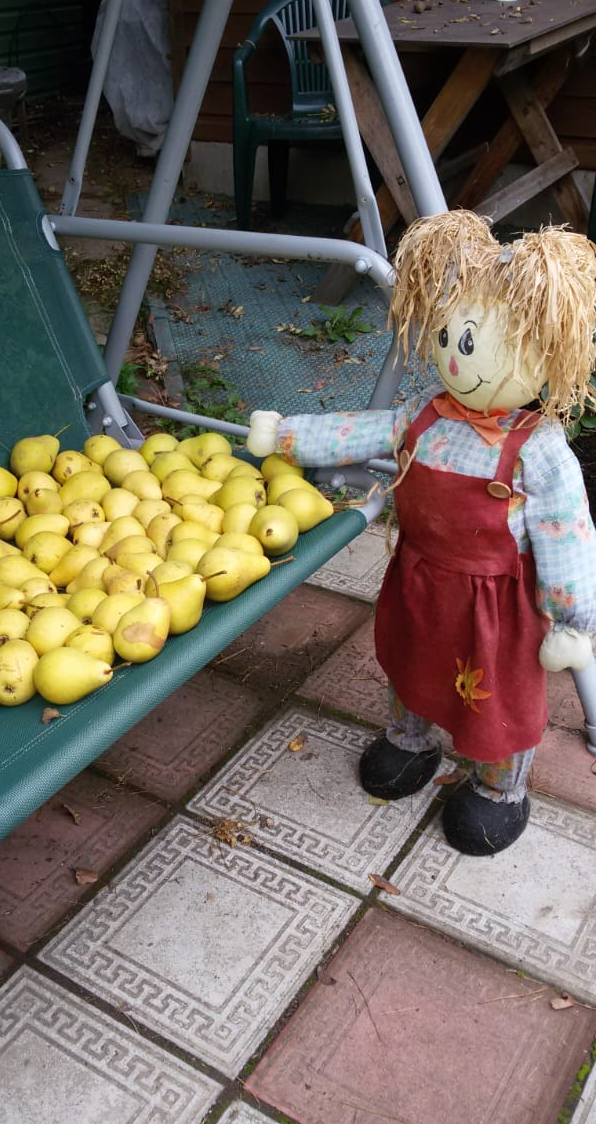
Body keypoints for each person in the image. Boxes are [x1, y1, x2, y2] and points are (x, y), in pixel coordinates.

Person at [247, 211, 596, 855]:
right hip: (419, 577)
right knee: (412, 661)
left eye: (474, 344)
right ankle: (410, 741)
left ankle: (498, 788)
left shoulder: (538, 450)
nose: (455, 358)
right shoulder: (423, 415)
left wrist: (573, 620)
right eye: (448, 337)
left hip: (496, 606)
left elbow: (567, 534)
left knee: (497, 698)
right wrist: (290, 435)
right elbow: (361, 430)